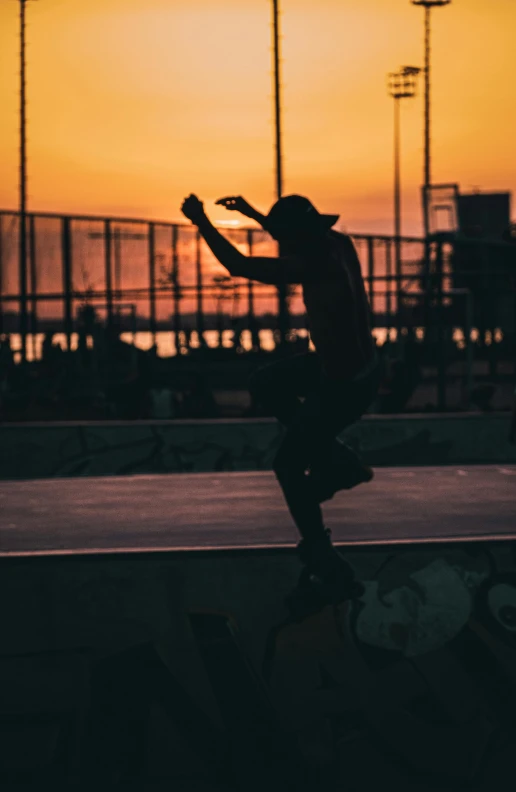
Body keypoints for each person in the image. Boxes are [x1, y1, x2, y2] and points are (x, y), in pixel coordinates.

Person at [180, 192, 382, 598]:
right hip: (353, 368)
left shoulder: (315, 264)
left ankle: (325, 555)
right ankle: (340, 460)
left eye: (284, 239)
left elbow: (239, 265)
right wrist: (252, 213)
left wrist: (201, 221)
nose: (281, 245)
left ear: (299, 238)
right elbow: (289, 232)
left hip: (344, 387)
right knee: (265, 382)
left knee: (288, 467)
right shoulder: (339, 243)